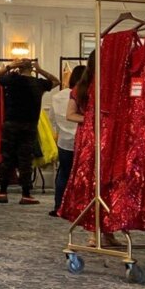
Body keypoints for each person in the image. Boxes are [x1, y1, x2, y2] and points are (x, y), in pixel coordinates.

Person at [0, 58, 58, 204]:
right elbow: (56, 81)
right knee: (26, 159)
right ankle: (26, 194)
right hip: (29, 125)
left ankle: (2, 191)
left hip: (11, 123)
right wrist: (40, 70)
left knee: (7, 158)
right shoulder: (38, 83)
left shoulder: (12, 80)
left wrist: (9, 66)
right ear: (31, 68)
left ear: (19, 68)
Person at [49, 64, 88, 216]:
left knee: (63, 174)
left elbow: (52, 119)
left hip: (64, 141)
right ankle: (78, 206)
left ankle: (58, 205)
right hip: (83, 140)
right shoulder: (85, 95)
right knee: (82, 175)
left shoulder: (57, 97)